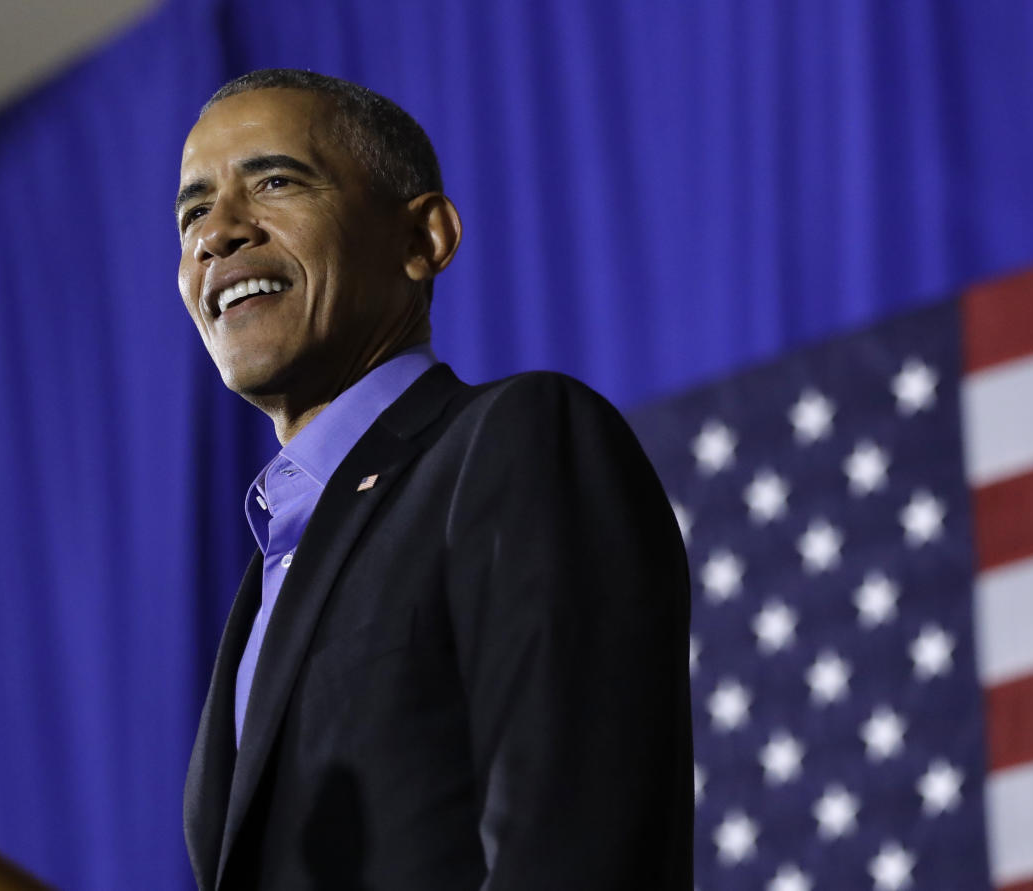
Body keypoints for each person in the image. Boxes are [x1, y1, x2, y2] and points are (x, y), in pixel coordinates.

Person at [175, 69, 693, 890]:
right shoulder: (272, 569)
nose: (217, 233)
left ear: (424, 240)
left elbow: (573, 847)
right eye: (193, 211)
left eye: (274, 181)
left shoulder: (513, 442)